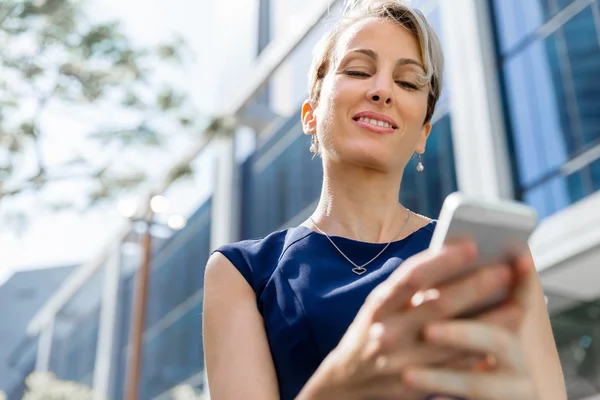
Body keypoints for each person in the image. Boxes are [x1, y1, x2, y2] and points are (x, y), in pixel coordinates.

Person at [202, 0, 567, 399]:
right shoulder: (243, 272)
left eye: (408, 82)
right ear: (311, 113)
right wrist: (342, 384)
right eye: (358, 70)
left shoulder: (486, 261)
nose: (382, 90)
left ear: (423, 133)